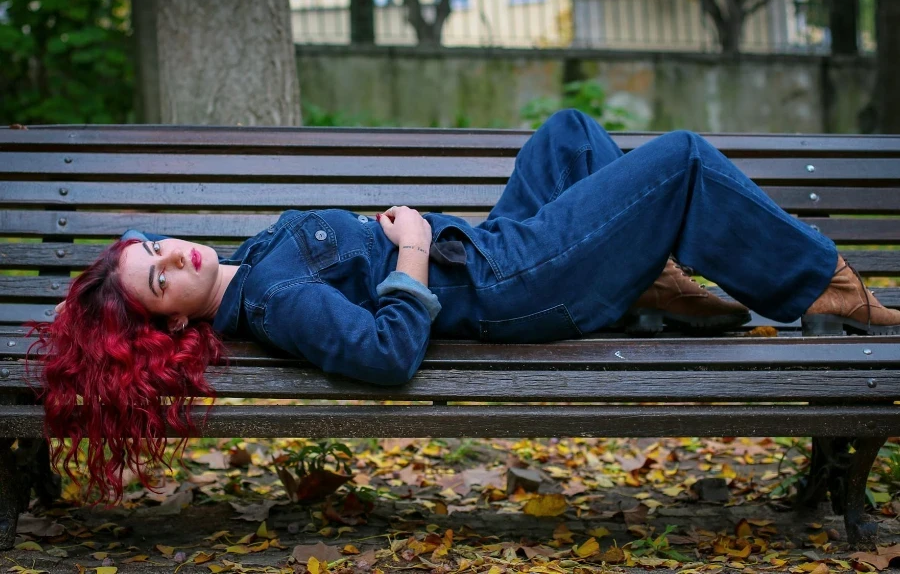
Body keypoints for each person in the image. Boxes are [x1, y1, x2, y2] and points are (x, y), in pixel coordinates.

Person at [33, 109, 900, 500]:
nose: (174, 254)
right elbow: (384, 356)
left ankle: (646, 284)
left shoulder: (254, 265)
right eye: (160, 278)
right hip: (509, 282)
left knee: (567, 134)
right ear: (179, 318)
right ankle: (833, 291)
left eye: (154, 246)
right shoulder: (274, 298)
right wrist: (410, 248)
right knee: (678, 159)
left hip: (489, 248)